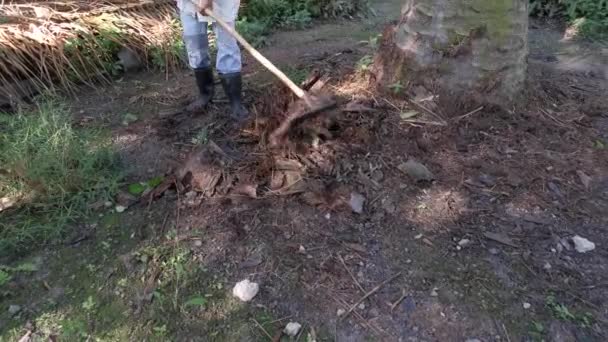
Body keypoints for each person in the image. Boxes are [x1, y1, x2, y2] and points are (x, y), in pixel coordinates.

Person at [176, 0, 247, 119]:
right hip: (189, 4)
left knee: (227, 47)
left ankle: (236, 103)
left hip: (222, 4)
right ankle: (205, 95)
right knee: (195, 46)